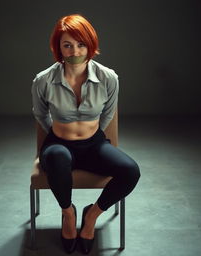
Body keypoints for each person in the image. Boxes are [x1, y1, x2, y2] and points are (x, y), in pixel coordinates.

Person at [31, 14, 140, 254]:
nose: (74, 51)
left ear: (90, 45)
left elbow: (108, 113)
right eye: (67, 45)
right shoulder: (43, 80)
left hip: (94, 145)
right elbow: (41, 115)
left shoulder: (108, 77)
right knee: (59, 156)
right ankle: (68, 214)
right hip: (58, 145)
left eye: (81, 44)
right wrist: (60, 133)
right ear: (58, 47)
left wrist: (91, 135)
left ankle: (91, 216)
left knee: (131, 170)